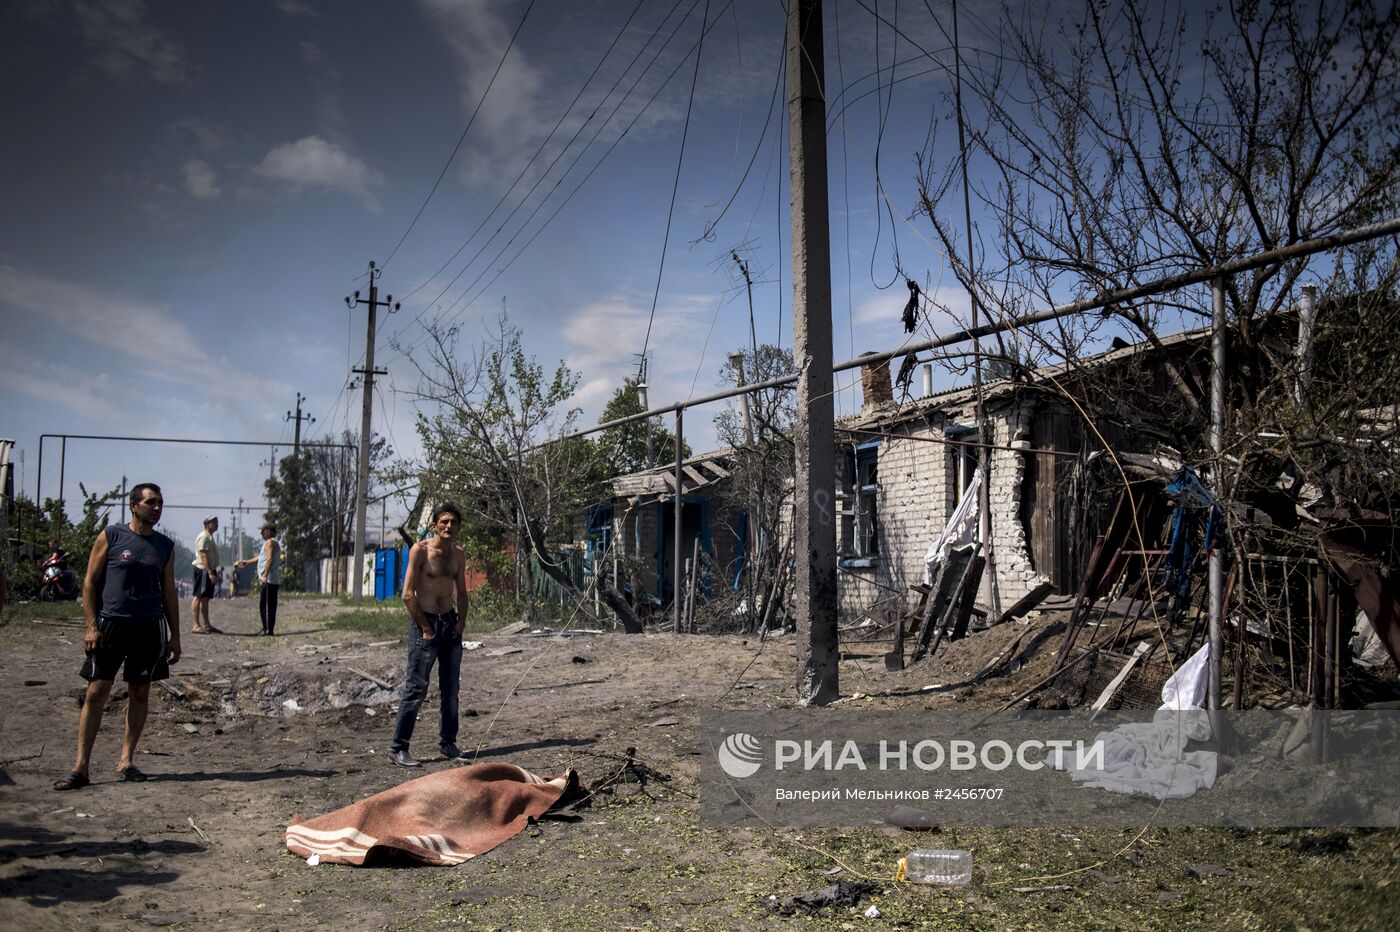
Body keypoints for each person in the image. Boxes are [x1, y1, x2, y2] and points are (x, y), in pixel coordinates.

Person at [54, 482, 180, 790]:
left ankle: (126, 760)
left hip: (148, 628)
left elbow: (168, 592)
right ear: (134, 506)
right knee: (97, 692)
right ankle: (81, 768)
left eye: (160, 503)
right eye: (151, 502)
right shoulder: (110, 536)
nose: (157, 508)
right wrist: (90, 626)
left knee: (140, 692)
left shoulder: (164, 546)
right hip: (110, 625)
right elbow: (89, 583)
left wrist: (175, 636)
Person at [388, 503, 470, 767]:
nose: (449, 526)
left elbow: (462, 593)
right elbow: (407, 594)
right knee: (416, 688)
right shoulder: (420, 550)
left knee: (451, 688)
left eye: (453, 522)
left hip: (449, 625)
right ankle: (398, 748)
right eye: (444, 522)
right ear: (434, 525)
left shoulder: (458, 554)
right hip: (426, 625)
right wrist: (424, 626)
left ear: (458, 527)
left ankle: (448, 742)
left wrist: (460, 625)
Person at [237, 523, 281, 636]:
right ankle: (268, 628)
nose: (261, 533)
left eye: (263, 531)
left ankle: (267, 629)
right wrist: (247, 562)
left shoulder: (270, 543)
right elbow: (262, 557)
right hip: (271, 579)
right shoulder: (269, 543)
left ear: (268, 531)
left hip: (269, 579)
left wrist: (265, 575)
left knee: (265, 605)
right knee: (268, 604)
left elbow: (269, 559)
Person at [190, 515, 221, 634]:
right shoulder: (204, 536)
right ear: (207, 524)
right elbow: (203, 555)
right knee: (199, 596)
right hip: (203, 569)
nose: (217, 524)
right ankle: (195, 625)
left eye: (217, 522)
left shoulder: (209, 536)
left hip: (208, 570)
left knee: (205, 598)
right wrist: (209, 572)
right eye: (214, 522)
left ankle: (206, 625)